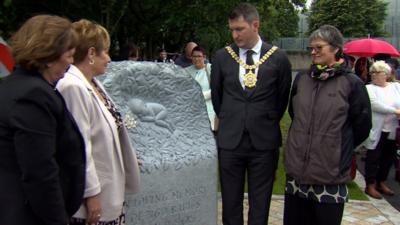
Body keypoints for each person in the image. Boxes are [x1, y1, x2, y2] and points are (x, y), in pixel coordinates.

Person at [210, 3, 292, 225]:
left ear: (255, 25)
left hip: (263, 143)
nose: (234, 34)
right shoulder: (222, 57)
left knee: (260, 203)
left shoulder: (278, 58)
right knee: (230, 203)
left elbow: (281, 100)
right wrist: (233, 119)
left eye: (239, 29)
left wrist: (261, 120)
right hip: (230, 142)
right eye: (232, 29)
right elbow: (218, 99)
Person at [0, 15, 86, 225]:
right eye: (69, 54)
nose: (71, 62)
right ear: (49, 55)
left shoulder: (10, 86)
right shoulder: (33, 96)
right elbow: (40, 172)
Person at [284, 25, 372, 225]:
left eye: (319, 47)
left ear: (336, 49)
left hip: (329, 174)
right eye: (311, 48)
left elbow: (362, 126)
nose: (313, 52)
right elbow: (293, 112)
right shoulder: (302, 79)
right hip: (298, 172)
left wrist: (336, 146)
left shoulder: (352, 84)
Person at [56, 19, 140, 225]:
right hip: (93, 201)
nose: (109, 59)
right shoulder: (72, 87)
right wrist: (91, 194)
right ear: (91, 53)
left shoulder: (93, 83)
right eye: (106, 52)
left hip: (110, 190)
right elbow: (80, 146)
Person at [362, 61, 400, 199]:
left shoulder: (396, 87)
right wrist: (395, 111)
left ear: (386, 74)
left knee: (388, 157)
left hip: (392, 129)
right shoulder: (369, 88)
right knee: (373, 156)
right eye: (372, 72)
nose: (373, 75)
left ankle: (381, 181)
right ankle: (370, 184)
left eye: (377, 72)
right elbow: (374, 104)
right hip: (377, 128)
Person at [185, 46, 216, 131]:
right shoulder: (186, 71)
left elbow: (216, 89)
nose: (196, 59)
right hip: (190, 111)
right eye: (194, 56)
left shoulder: (211, 69)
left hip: (208, 110)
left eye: (199, 56)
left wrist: (200, 96)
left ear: (204, 57)